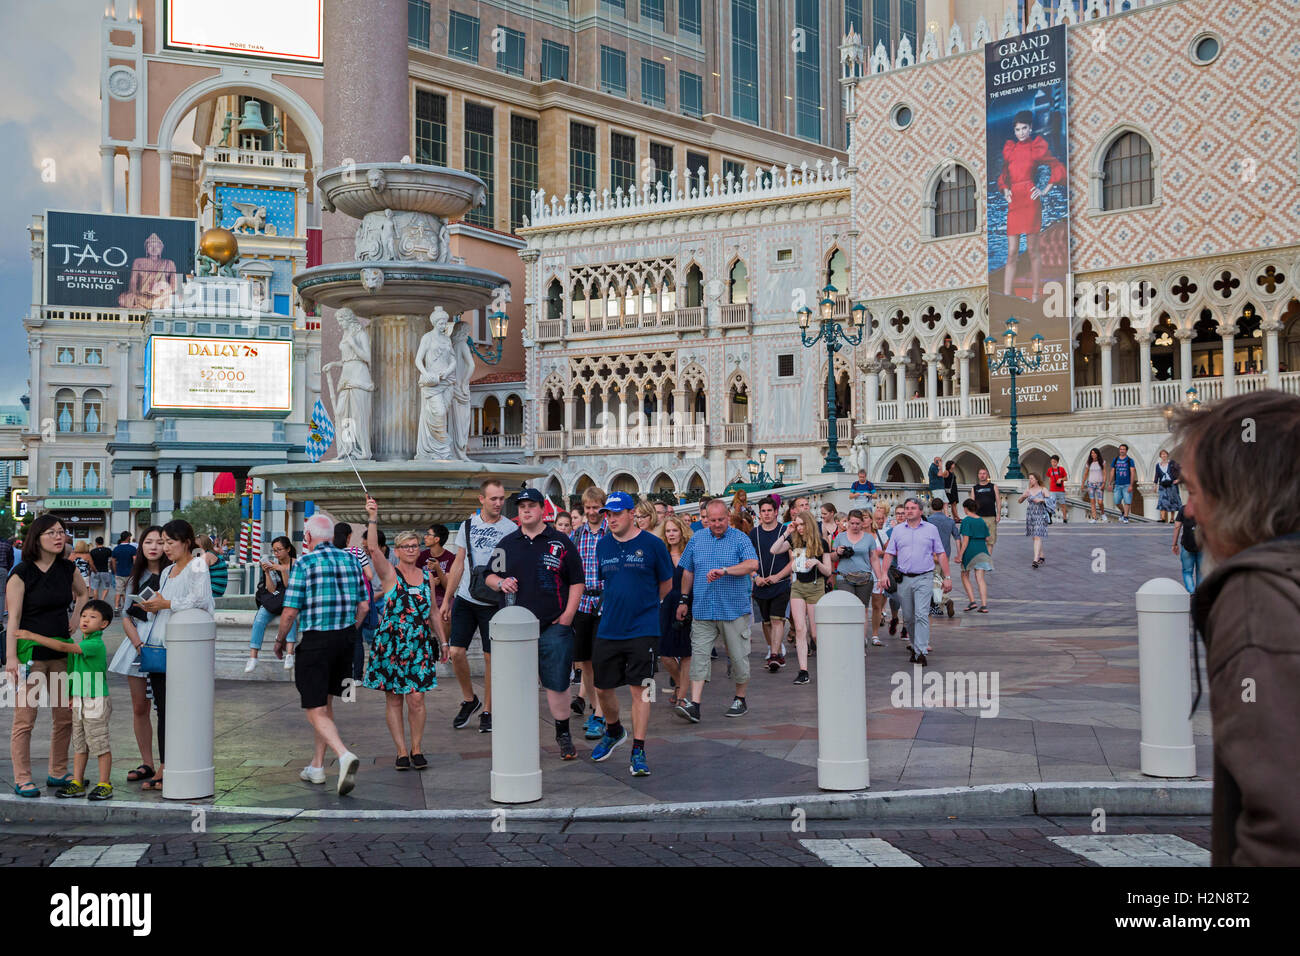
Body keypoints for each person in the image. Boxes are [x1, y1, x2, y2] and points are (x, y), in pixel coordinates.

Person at [1176, 391, 1300, 865]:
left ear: (1239, 494)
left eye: (1193, 490)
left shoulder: (1259, 599)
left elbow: (1283, 832)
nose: (1190, 512)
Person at [485, 488, 584, 760]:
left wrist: (567, 618)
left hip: (553, 625)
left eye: (531, 505)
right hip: (516, 630)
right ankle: (517, 734)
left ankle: (563, 733)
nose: (525, 510)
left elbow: (577, 581)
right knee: (516, 684)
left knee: (557, 683)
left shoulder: (561, 541)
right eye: (521, 506)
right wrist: (501, 582)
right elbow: (489, 576)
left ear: (542, 509)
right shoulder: (508, 543)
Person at [274, 512, 369, 796]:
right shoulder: (352, 560)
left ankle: (342, 754)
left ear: (308, 537)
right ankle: (316, 766)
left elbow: (290, 612)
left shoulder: (304, 562)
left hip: (316, 642)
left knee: (313, 708)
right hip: (345, 641)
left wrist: (280, 641)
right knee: (325, 705)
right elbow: (363, 607)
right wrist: (350, 630)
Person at [5, 515, 89, 797]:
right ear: (37, 538)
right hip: (30, 656)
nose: (58, 537)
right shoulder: (21, 573)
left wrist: (77, 617)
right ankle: (23, 777)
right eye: (51, 533)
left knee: (64, 717)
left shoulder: (67, 569)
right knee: (25, 720)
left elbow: (83, 594)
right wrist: (11, 660)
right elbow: (12, 620)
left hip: (61, 652)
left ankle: (57, 771)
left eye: (62, 533)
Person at [589, 492, 673, 774]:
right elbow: (609, 583)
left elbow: (666, 584)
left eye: (616, 513)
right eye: (607, 515)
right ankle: (613, 730)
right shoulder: (603, 546)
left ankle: (639, 749)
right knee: (602, 688)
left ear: (631, 513)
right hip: (609, 627)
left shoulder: (653, 544)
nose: (611, 519)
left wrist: (645, 608)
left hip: (643, 629)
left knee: (643, 691)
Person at [135, 520, 215, 794]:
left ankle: (175, 766)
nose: (166, 548)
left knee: (180, 708)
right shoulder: (168, 570)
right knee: (163, 709)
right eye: (163, 542)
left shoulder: (196, 566)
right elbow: (167, 602)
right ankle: (165, 764)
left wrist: (166, 603)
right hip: (161, 644)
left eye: (170, 542)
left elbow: (201, 600)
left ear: (187, 541)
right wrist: (154, 604)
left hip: (185, 648)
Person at [363, 498, 437, 771]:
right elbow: (372, 548)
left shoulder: (426, 575)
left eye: (415, 546)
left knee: (416, 698)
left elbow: (433, 612)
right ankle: (401, 751)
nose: (411, 550)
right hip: (391, 642)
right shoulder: (390, 574)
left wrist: (442, 640)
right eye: (405, 546)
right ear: (397, 550)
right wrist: (373, 516)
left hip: (418, 643)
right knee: (394, 698)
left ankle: (417, 747)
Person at [440, 479, 516, 734]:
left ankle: (489, 710)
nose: (498, 503)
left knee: (490, 657)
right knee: (456, 652)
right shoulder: (468, 525)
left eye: (502, 498)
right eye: (493, 499)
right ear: (481, 499)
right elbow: (458, 563)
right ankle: (470, 699)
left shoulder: (509, 529)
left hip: (492, 601)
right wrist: (448, 599)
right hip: (466, 596)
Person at [20, 600, 115, 801]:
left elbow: (63, 646)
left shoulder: (94, 644)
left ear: (104, 624)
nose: (85, 620)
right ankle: (77, 783)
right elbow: (74, 671)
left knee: (99, 744)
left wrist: (32, 636)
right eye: (83, 616)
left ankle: (105, 784)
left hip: (95, 700)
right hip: (80, 700)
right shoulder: (81, 643)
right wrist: (72, 695)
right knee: (80, 745)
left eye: (92, 617)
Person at [673, 499, 759, 717]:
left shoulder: (740, 538)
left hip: (733, 609)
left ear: (728, 517)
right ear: (705, 519)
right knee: (699, 656)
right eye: (712, 520)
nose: (717, 524)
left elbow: (752, 564)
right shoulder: (697, 539)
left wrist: (725, 570)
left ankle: (740, 698)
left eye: (721, 519)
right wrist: (684, 600)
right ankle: (695, 705)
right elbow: (688, 571)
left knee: (738, 658)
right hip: (703, 608)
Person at [107, 525, 166, 786]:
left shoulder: (172, 575)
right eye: (148, 542)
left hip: (164, 642)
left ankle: (168, 763)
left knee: (166, 708)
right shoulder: (135, 577)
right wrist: (138, 644)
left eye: (160, 542)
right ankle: (148, 763)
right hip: (138, 645)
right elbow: (126, 617)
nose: (153, 547)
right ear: (140, 546)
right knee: (140, 707)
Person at [998, 109, 1065, 301]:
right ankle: (1006, 295)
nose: (1021, 133)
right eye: (1017, 129)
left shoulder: (1036, 147)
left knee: (1032, 250)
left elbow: (1057, 166)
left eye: (1024, 128)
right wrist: (1005, 190)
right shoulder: (1010, 149)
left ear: (1030, 128)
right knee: (1011, 252)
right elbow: (1003, 175)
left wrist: (1044, 190)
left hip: (1030, 199)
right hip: (1014, 203)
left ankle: (1036, 293)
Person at [879, 499, 953, 667]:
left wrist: (947, 576)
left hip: (924, 577)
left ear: (920, 511)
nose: (909, 511)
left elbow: (940, 553)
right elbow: (889, 553)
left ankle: (921, 651)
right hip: (904, 578)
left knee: (921, 614)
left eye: (913, 508)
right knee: (909, 617)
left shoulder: (931, 529)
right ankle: (914, 645)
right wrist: (884, 574)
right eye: (907, 508)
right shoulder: (897, 530)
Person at [769, 512, 833, 685]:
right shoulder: (794, 539)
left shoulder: (822, 543)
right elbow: (773, 550)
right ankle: (803, 670)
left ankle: (829, 666)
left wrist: (817, 563)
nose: (800, 528)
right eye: (797, 525)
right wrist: (787, 532)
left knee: (815, 633)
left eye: (802, 524)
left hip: (815, 586)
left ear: (810, 524)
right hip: (797, 587)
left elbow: (828, 571)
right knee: (799, 628)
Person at [569, 486, 609, 739]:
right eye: (588, 508)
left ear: (603, 508)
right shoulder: (576, 535)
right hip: (582, 603)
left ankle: (600, 714)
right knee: (584, 661)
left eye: (596, 507)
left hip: (605, 602)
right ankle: (595, 706)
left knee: (601, 658)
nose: (592, 512)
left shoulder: (612, 534)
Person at [750, 497, 791, 670]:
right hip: (760, 584)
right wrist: (755, 577)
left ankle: (774, 656)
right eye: (763, 511)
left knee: (777, 619)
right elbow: (747, 560)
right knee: (766, 621)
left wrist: (778, 576)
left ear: (776, 512)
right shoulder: (754, 534)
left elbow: (793, 560)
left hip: (780, 583)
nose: (766, 514)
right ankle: (772, 648)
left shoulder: (786, 531)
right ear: (760, 514)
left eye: (769, 511)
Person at [246, 536, 298, 672]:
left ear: (288, 549)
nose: (276, 554)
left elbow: (289, 586)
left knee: (290, 615)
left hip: (292, 599)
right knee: (260, 618)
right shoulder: (274, 564)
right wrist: (267, 573)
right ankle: (253, 656)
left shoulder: (297, 564)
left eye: (279, 550)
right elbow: (271, 589)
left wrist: (282, 570)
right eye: (274, 551)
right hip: (277, 600)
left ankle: (290, 654)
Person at [658, 515, 695, 706]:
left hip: (687, 603)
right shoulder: (661, 553)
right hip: (664, 606)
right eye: (668, 531)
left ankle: (682, 695)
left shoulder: (690, 552)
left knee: (686, 651)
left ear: (682, 531)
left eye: (674, 530)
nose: (671, 534)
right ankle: (681, 685)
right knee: (664, 653)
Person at [832, 510, 875, 639]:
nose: (855, 526)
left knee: (862, 610)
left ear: (863, 523)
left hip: (864, 577)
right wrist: (838, 552)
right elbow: (832, 557)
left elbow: (873, 558)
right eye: (852, 523)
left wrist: (881, 576)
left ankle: (861, 642)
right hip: (844, 576)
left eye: (857, 523)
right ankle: (848, 640)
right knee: (848, 608)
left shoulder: (869, 538)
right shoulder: (840, 537)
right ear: (847, 523)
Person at [415, 523, 453, 652]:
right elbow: (414, 578)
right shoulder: (421, 556)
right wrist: (430, 581)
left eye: (428, 535)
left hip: (444, 596)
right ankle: (433, 643)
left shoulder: (450, 557)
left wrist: (438, 569)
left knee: (447, 617)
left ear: (437, 539)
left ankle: (445, 646)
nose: (425, 537)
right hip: (426, 594)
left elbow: (448, 585)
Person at [957, 499, 993, 613]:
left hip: (970, 551)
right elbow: (987, 538)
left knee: (964, 574)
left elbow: (966, 540)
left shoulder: (967, 520)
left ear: (966, 508)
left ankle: (972, 601)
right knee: (980, 579)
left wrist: (960, 555)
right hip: (982, 551)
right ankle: (984, 605)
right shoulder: (981, 520)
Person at [926, 499, 957, 617]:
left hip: (933, 556)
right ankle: (940, 606)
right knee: (943, 580)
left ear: (932, 507)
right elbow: (957, 537)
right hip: (946, 555)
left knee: (935, 582)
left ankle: (945, 601)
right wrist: (959, 553)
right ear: (943, 507)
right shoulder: (949, 521)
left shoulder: (928, 521)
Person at [1019, 473, 1050, 567]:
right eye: (1029, 479)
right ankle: (1041, 556)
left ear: (1037, 479)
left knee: (1037, 535)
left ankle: (1035, 559)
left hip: (1040, 514)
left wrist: (1041, 500)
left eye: (1032, 478)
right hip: (1031, 515)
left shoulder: (1043, 489)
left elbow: (1051, 500)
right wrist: (1024, 496)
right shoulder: (1028, 490)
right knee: (1035, 536)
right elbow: (1019, 501)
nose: (1030, 480)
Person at [1172, 504, 1201, 594]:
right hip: (1203, 545)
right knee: (1201, 572)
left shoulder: (1184, 509)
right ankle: (1200, 593)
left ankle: (1192, 592)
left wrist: (1174, 544)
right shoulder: (1206, 507)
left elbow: (1177, 527)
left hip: (1187, 545)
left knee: (1187, 571)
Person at [971, 467, 1001, 551]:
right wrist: (972, 516)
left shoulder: (993, 486)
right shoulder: (974, 488)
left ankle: (987, 561)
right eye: (980, 474)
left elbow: (998, 501)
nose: (982, 475)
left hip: (991, 517)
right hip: (978, 517)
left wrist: (998, 514)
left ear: (987, 475)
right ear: (978, 475)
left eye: (984, 473)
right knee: (979, 540)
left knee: (990, 541)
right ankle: (981, 559)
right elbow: (972, 503)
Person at [1108, 443, 1138, 523]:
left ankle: (1126, 517)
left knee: (1127, 501)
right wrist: (1110, 483)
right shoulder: (1115, 460)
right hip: (1117, 484)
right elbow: (1112, 471)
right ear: (1119, 450)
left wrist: (1131, 485)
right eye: (1120, 449)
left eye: (1123, 449)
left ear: (1126, 451)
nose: (1122, 451)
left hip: (1127, 484)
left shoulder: (1130, 460)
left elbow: (1132, 472)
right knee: (1116, 501)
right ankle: (1123, 512)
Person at [111, 531, 136, 613]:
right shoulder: (132, 548)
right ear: (128, 537)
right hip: (130, 573)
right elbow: (135, 560)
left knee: (118, 591)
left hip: (119, 573)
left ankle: (116, 607)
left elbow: (113, 561)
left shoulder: (116, 549)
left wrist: (115, 571)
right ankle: (127, 607)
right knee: (128, 591)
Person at [1154, 449, 1182, 523]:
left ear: (1167, 455)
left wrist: (1179, 479)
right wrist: (1155, 484)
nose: (1164, 455)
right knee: (1162, 501)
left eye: (1165, 454)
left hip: (1172, 484)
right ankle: (1163, 518)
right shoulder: (1158, 465)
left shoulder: (1172, 463)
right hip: (1162, 484)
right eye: (1162, 454)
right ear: (1160, 456)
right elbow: (1156, 475)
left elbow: (1180, 470)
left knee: (1172, 501)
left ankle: (1172, 518)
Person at [1084, 447, 1106, 522]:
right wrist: (1082, 483)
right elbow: (1086, 473)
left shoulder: (1102, 462)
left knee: (1100, 502)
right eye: (1092, 453)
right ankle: (1094, 518)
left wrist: (1104, 483)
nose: (1093, 454)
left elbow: (1104, 473)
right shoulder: (1089, 463)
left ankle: (1103, 513)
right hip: (1090, 484)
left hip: (1099, 484)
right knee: (1092, 502)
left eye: (1094, 453)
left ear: (1097, 454)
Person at [89, 537, 114, 602]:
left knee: (95, 588)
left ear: (96, 542)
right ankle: (102, 600)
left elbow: (90, 563)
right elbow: (112, 560)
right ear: (103, 542)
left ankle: (96, 602)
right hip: (105, 571)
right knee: (106, 588)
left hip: (95, 571)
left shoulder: (92, 551)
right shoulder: (108, 550)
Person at [1046, 455, 1069, 524]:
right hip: (1052, 490)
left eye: (1054, 462)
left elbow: (1066, 478)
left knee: (1063, 504)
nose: (1053, 463)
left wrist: (1061, 479)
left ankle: (1065, 519)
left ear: (1057, 462)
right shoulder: (1049, 470)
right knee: (1051, 505)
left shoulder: (1061, 469)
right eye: (1052, 462)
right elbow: (1049, 478)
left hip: (1061, 490)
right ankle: (1050, 519)